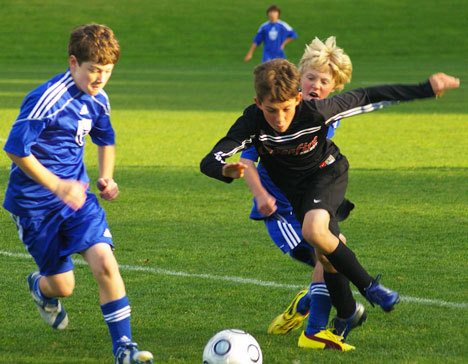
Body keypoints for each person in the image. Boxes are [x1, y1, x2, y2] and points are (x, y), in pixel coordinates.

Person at [200, 58, 459, 351]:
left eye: (286, 108)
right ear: (258, 103)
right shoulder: (252, 122)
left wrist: (425, 88)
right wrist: (224, 170)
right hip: (298, 193)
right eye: (271, 110)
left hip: (328, 172)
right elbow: (210, 160)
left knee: (314, 231)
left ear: (298, 98)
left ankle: (370, 288)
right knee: (326, 252)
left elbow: (368, 96)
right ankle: (347, 313)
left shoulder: (317, 111)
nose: (280, 119)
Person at [3, 24, 154, 364]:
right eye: (93, 70)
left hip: (78, 200)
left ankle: (125, 348)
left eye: (107, 71)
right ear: (73, 63)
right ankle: (41, 287)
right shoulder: (48, 98)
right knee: (64, 286)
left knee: (105, 263)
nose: (100, 79)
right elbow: (15, 148)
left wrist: (106, 177)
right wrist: (56, 185)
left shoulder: (99, 99)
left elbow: (105, 138)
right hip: (35, 207)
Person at [239, 37, 363, 350]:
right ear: (298, 77)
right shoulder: (274, 114)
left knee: (330, 250)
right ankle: (316, 329)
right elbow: (246, 159)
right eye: (310, 77)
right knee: (328, 252)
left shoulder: (322, 117)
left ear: (334, 87)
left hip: (309, 206)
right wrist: (261, 196)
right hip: (280, 211)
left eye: (324, 81)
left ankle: (309, 309)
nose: (315, 85)